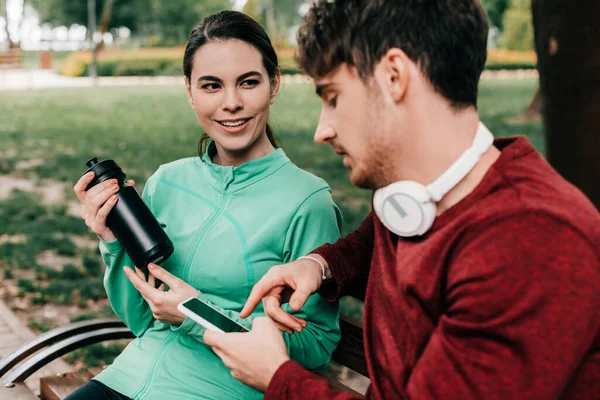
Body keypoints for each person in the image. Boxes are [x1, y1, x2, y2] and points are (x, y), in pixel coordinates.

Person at [203, 0, 600, 399]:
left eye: (333, 97)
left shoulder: (530, 242)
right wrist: (320, 265)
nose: (322, 130)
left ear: (394, 76)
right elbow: (376, 237)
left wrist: (277, 377)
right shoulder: (420, 196)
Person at [70, 10, 342, 400]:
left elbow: (315, 344)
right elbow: (142, 320)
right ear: (190, 92)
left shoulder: (307, 201)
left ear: (274, 85)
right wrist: (114, 242)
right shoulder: (167, 181)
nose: (231, 103)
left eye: (248, 83)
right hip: (124, 380)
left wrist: (196, 315)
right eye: (211, 86)